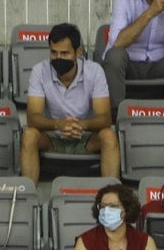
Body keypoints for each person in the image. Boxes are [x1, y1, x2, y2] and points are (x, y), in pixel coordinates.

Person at [21, 22, 119, 184]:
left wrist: (80, 125)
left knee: (108, 136)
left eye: (65, 53)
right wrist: (59, 125)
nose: (58, 58)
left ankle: (112, 198)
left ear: (78, 52)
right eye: (54, 52)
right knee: (29, 135)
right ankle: (28, 197)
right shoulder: (40, 71)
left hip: (85, 138)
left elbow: (105, 118)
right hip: (53, 137)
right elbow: (33, 118)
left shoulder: (94, 71)